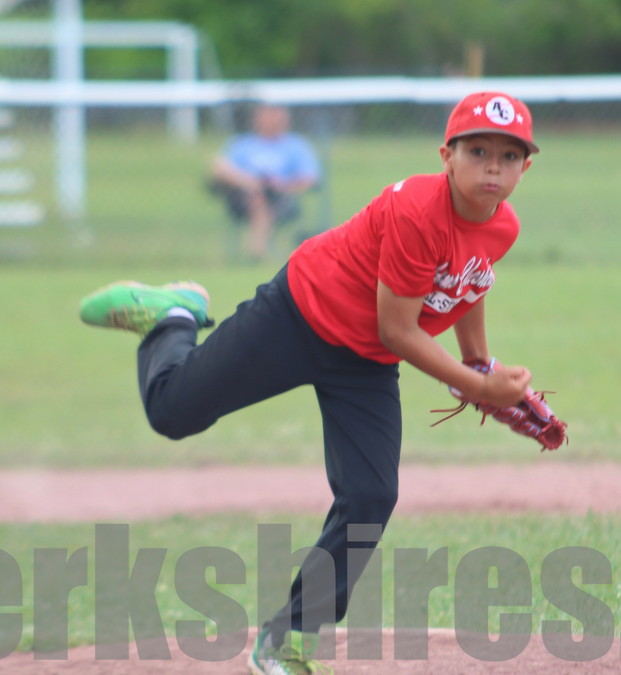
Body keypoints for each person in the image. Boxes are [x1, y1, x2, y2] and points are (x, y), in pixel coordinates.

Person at [80, 91, 539, 673]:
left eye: (508, 155)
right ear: (446, 156)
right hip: (300, 313)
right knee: (171, 412)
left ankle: (290, 636)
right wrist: (479, 390)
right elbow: (399, 330)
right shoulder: (417, 209)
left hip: (364, 360)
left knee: (371, 497)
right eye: (477, 151)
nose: (493, 167)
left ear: (526, 166)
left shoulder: (502, 226)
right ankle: (172, 316)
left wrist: (479, 363)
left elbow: (469, 280)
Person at [209, 104, 321, 260]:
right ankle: (257, 252)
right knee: (253, 192)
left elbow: (309, 178)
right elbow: (219, 169)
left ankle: (256, 253)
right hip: (241, 197)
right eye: (268, 114)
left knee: (260, 196)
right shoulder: (242, 144)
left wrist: (282, 185)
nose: (273, 119)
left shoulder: (296, 146)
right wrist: (251, 182)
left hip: (281, 197)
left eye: (277, 115)